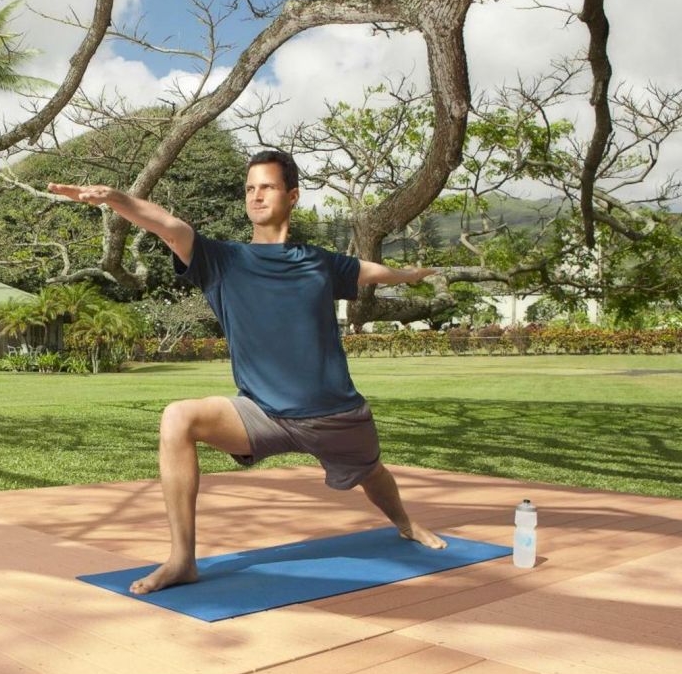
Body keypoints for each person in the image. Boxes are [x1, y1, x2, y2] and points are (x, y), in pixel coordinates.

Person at [49, 150, 447, 596]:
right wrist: (115, 198)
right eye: (250, 188)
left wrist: (409, 274)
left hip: (335, 414)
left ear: (292, 196)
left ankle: (406, 522)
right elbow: (167, 224)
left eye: (268, 187)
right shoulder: (222, 260)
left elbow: (368, 272)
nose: (256, 196)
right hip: (263, 413)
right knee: (178, 417)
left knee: (373, 473)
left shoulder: (321, 262)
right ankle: (182, 559)